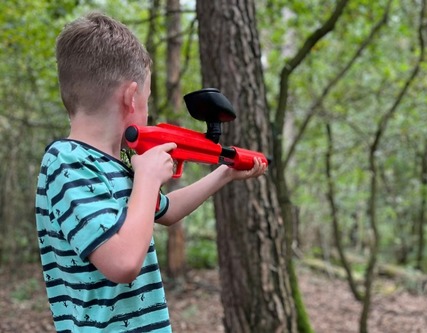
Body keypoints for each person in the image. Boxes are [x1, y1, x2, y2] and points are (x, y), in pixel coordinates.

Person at [35, 11, 267, 333]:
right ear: (131, 97)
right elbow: (124, 262)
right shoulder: (67, 161)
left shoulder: (117, 164)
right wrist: (146, 178)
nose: (146, 112)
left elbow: (167, 211)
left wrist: (224, 173)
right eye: (146, 101)